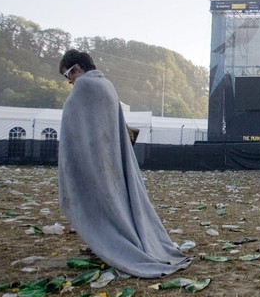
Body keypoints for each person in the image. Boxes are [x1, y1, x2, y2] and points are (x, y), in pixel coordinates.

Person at [57, 49, 192, 278]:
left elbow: (74, 128)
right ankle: (111, 241)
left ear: (77, 69)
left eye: (67, 75)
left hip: (95, 161)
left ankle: (108, 243)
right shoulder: (106, 85)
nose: (69, 81)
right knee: (117, 202)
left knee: (99, 204)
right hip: (112, 160)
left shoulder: (85, 87)